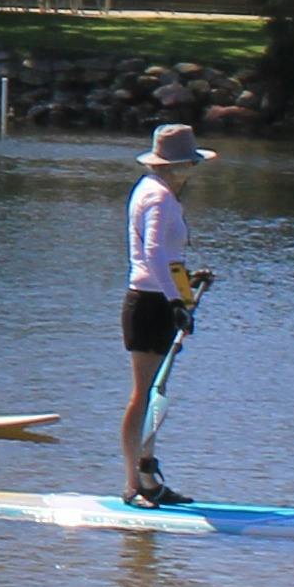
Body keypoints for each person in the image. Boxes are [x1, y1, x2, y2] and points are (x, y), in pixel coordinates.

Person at [120, 121, 215, 506]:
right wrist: (178, 302)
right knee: (144, 395)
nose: (192, 171)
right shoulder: (158, 197)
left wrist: (187, 282)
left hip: (157, 296)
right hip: (149, 303)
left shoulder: (153, 191)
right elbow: (154, 256)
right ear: (174, 166)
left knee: (155, 395)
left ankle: (148, 478)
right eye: (189, 164)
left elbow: (162, 258)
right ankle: (132, 487)